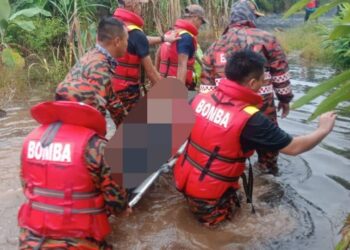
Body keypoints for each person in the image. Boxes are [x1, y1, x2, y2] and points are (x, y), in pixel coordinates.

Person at [173, 50, 336, 227]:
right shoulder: (250, 119)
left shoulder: (200, 99)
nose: (265, 82)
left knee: (238, 205)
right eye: (262, 79)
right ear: (252, 83)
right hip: (209, 197)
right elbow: (294, 148)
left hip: (185, 181)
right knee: (282, 226)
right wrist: (323, 129)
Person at [18, 101, 129, 249]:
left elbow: (26, 186)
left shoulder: (29, 140)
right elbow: (116, 201)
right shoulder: (95, 145)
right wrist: (123, 209)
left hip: (30, 240)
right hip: (75, 242)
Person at [200, 0, 293, 175]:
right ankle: (267, 180)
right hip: (261, 107)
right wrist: (285, 99)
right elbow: (280, 73)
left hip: (227, 113)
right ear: (251, 17)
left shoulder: (214, 47)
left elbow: (206, 90)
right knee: (269, 151)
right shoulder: (267, 39)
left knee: (230, 152)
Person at [112, 0, 179, 124]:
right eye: (140, 5)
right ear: (130, 4)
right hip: (128, 91)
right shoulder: (136, 34)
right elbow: (151, 73)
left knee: (121, 123)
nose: (141, 9)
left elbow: (140, 41)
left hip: (110, 88)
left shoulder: (112, 26)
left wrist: (164, 39)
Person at [55, 16, 128, 128]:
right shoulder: (100, 67)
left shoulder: (91, 56)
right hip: (78, 126)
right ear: (117, 41)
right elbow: (97, 113)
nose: (127, 44)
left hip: (64, 122)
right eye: (126, 39)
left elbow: (113, 102)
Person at [156, 4, 207, 90]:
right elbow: (181, 65)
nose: (200, 25)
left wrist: (156, 80)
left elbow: (158, 56)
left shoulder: (170, 33)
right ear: (195, 17)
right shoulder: (186, 37)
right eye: (201, 21)